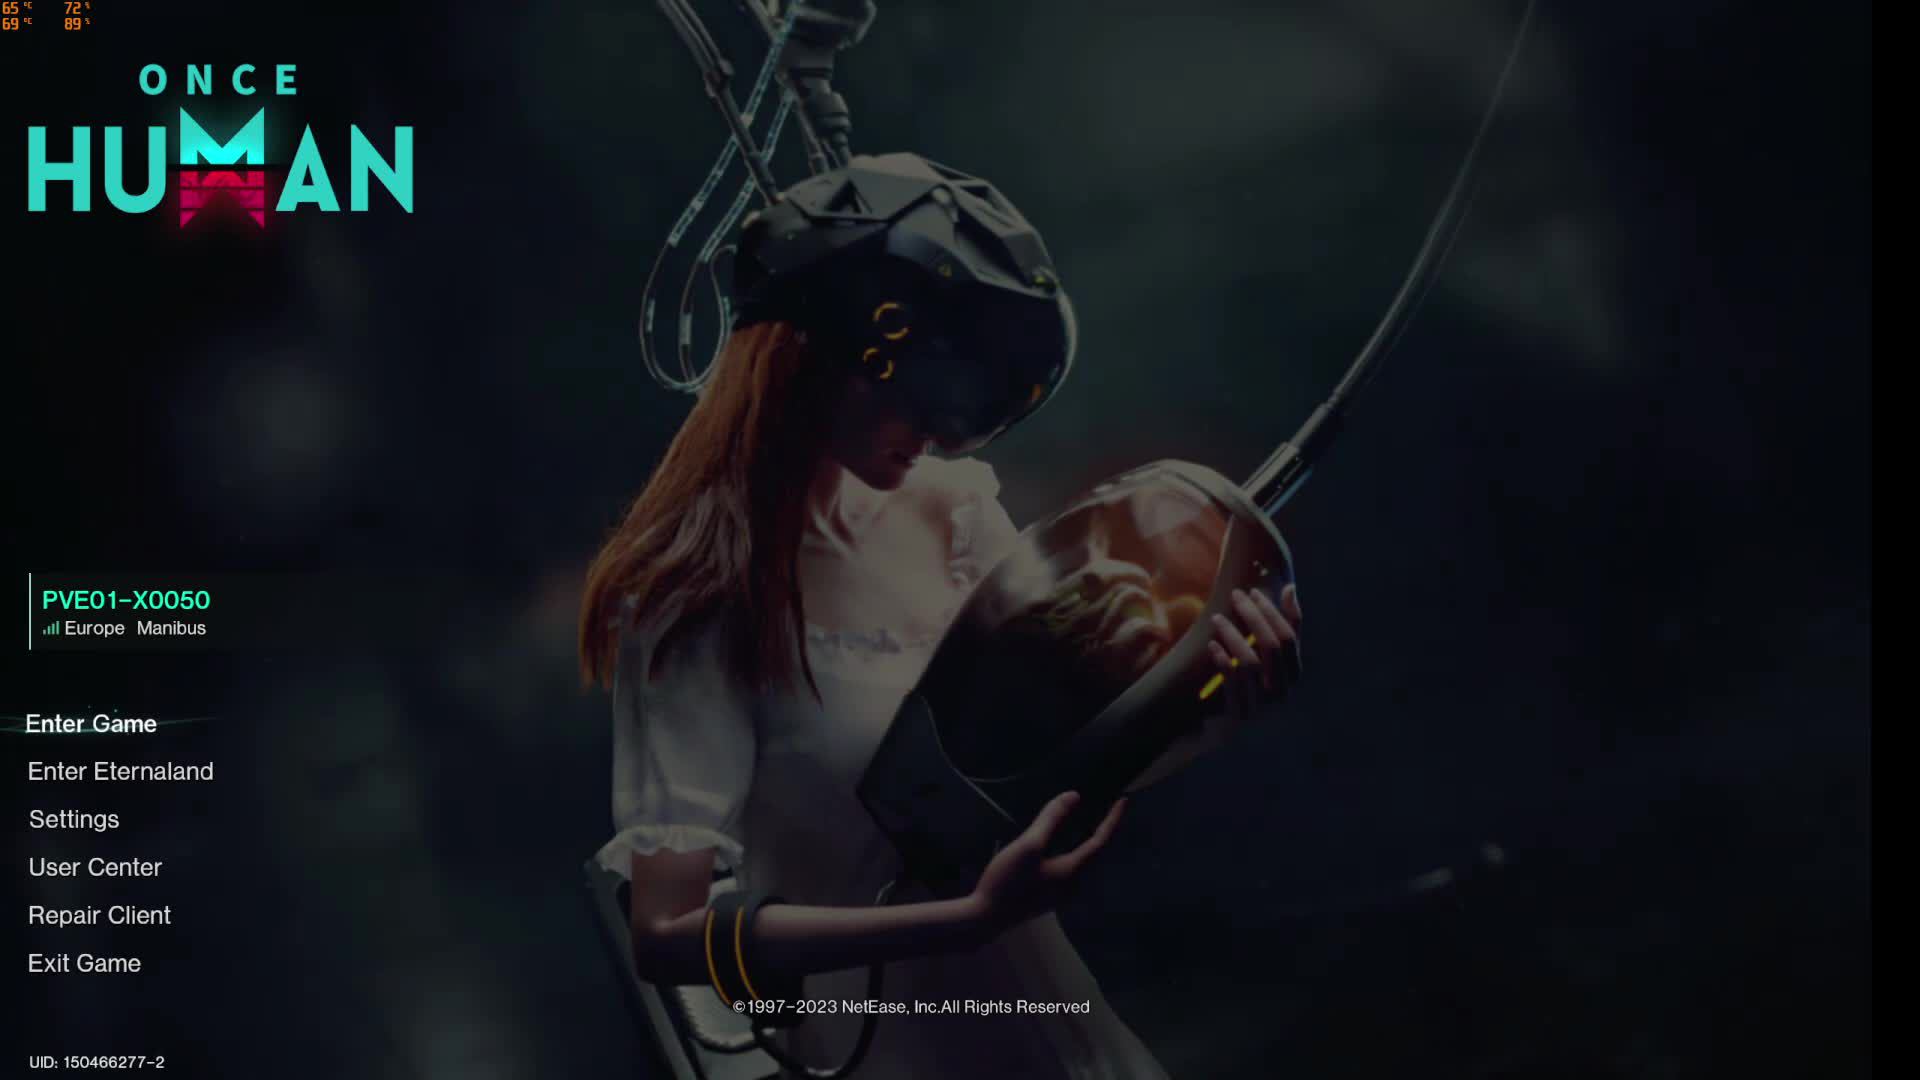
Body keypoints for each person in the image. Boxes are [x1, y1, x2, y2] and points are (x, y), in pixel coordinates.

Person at [579, 318, 1303, 1077]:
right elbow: (665, 935)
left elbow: (1056, 772)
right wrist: (966, 920)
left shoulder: (954, 510)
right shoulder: (692, 601)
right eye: (914, 385)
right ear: (813, 352)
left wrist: (1214, 704)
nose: (941, 427)